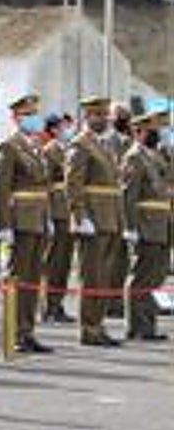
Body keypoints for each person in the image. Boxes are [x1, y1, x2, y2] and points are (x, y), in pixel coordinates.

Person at [0, 95, 54, 353]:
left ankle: (27, 330)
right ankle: (14, 331)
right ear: (16, 118)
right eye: (29, 114)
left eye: (35, 113)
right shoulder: (8, 146)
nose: (34, 118)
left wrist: (48, 217)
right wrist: (4, 225)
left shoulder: (35, 145)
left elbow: (44, 187)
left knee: (33, 278)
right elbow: (0, 188)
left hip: (38, 217)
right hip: (21, 219)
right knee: (19, 277)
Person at [65, 96, 123, 347]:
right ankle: (89, 328)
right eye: (98, 115)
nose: (103, 120)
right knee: (92, 275)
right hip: (92, 218)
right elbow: (73, 184)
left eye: (105, 115)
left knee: (104, 276)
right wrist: (80, 217)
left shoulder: (103, 145)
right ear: (87, 117)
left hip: (109, 217)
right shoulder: (80, 144)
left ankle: (98, 324)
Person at [119, 112, 172, 341]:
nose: (156, 134)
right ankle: (136, 326)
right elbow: (127, 195)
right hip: (145, 222)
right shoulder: (134, 157)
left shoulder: (157, 155)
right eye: (151, 130)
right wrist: (129, 227)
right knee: (142, 274)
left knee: (156, 276)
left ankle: (148, 325)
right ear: (138, 132)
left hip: (162, 222)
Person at [42, 114, 77, 323]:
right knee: (55, 261)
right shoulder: (51, 150)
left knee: (64, 262)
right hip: (57, 209)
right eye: (65, 126)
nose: (69, 129)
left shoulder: (66, 149)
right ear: (54, 130)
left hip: (67, 210)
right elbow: (46, 183)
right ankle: (49, 306)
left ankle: (58, 304)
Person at [102, 102, 134, 319]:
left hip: (127, 207)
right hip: (112, 205)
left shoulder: (130, 140)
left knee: (122, 259)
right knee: (109, 258)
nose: (123, 119)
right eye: (119, 116)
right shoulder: (107, 141)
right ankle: (105, 302)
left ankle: (115, 301)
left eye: (125, 116)